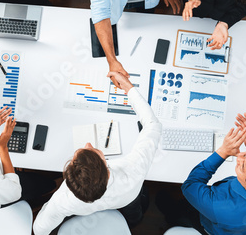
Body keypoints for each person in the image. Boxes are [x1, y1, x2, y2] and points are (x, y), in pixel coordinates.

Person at [33, 71, 162, 235]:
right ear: (106, 167)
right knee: (134, 214)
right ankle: (134, 222)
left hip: (85, 209)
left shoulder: (63, 200)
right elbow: (152, 125)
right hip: (128, 200)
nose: (88, 143)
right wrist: (129, 87)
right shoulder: (134, 171)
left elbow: (39, 230)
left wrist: (48, 207)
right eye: (96, 152)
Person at [156, 113, 246, 235]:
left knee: (179, 211)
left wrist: (222, 152)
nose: (241, 155)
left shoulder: (219, 206)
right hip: (245, 228)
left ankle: (170, 215)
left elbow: (190, 186)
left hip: (210, 225)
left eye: (243, 165)